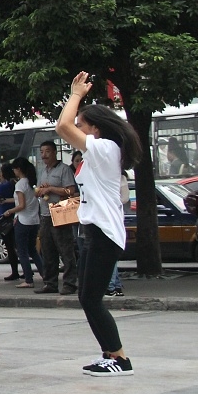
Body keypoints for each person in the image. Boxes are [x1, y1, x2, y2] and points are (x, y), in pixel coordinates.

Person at [56, 71, 142, 376]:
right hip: (93, 231)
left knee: (91, 298)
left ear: (95, 128)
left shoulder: (106, 148)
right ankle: (109, 354)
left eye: (82, 125)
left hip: (105, 233)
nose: (77, 129)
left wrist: (76, 95)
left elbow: (62, 126)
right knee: (86, 297)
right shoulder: (97, 153)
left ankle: (120, 358)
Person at [36, 142, 79, 295]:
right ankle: (50, 283)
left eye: (47, 151)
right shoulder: (43, 171)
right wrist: (40, 191)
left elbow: (70, 191)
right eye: (42, 152)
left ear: (54, 152)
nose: (44, 155)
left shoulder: (64, 169)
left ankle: (70, 283)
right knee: (47, 251)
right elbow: (38, 190)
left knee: (65, 250)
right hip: (45, 214)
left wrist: (51, 189)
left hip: (60, 214)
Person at [9, 157, 45, 288]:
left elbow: (21, 205)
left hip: (23, 220)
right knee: (33, 250)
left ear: (18, 169)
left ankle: (28, 279)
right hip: (34, 220)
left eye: (14, 169)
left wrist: (9, 211)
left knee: (22, 251)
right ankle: (45, 275)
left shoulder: (20, 185)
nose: (14, 171)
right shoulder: (32, 182)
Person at [0, 164, 20, 281]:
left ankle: (15, 271)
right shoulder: (16, 184)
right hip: (17, 215)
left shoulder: (2, 186)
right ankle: (26, 270)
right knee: (19, 245)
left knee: (9, 246)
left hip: (5, 217)